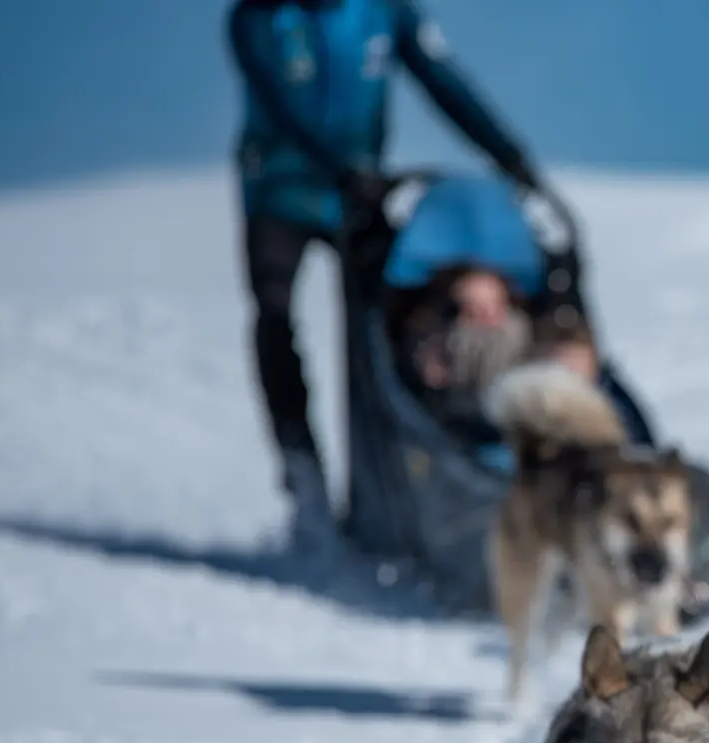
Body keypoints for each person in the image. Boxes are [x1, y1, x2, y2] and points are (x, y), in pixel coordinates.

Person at [226, 0, 541, 553]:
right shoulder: (257, 17)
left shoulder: (382, 12)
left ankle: (377, 497)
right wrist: (343, 171)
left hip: (357, 204)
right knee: (275, 317)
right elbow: (279, 107)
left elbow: (440, 79)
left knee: (370, 343)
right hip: (279, 193)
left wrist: (508, 154)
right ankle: (303, 474)